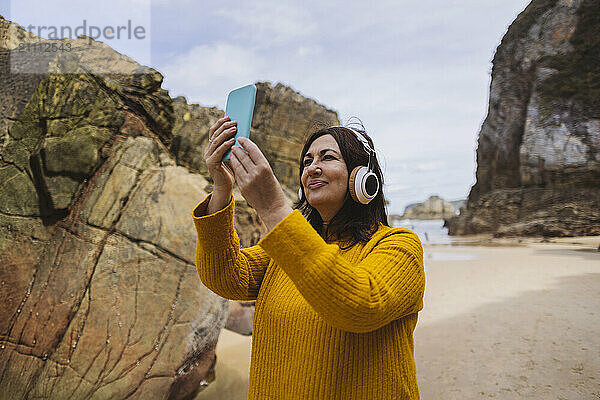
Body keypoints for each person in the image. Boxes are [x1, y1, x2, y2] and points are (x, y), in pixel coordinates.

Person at [193, 117, 425, 399]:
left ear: (361, 177)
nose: (313, 167)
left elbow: (361, 305)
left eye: (327, 158)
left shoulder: (399, 245)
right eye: (307, 161)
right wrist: (221, 189)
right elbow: (224, 277)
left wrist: (273, 208)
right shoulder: (283, 249)